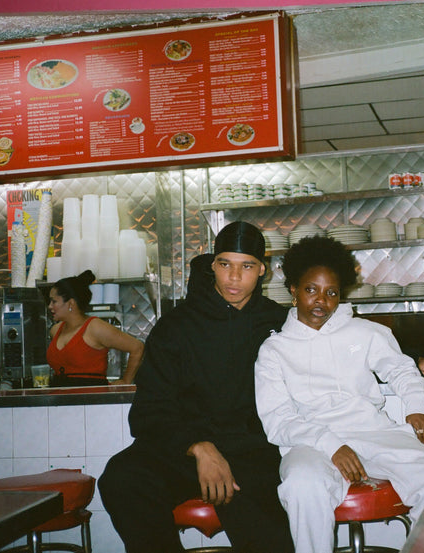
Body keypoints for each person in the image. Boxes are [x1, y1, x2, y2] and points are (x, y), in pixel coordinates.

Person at [254, 235, 424, 553]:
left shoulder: (365, 332)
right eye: (311, 290)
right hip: (311, 443)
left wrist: (416, 406)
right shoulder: (274, 350)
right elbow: (278, 420)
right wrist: (331, 445)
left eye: (331, 292)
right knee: (301, 485)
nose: (321, 301)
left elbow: (401, 370)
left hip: (374, 433)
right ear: (294, 290)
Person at [98, 222, 295, 553]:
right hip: (186, 452)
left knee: (267, 532)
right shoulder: (176, 326)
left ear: (263, 269)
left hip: (254, 454)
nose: (234, 277)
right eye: (225, 264)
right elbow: (149, 410)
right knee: (122, 478)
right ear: (213, 265)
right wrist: (198, 447)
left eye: (246, 266)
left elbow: (325, 368)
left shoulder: (280, 323)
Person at [46, 270, 144, 386]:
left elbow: (137, 348)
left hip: (91, 395)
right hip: (59, 394)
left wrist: (126, 381)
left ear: (71, 303)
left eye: (54, 301)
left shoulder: (95, 328)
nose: (50, 306)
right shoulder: (55, 330)